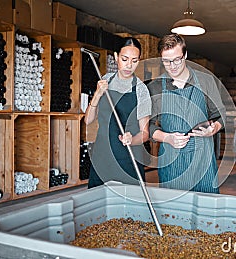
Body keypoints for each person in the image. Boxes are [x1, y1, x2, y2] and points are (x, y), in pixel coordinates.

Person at [148, 33, 226, 193]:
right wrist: (166, 137)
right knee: (174, 211)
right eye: (167, 61)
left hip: (202, 160)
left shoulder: (206, 81)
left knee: (207, 209)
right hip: (171, 161)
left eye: (177, 59)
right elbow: (144, 126)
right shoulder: (155, 87)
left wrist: (214, 128)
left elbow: (221, 115)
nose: (173, 66)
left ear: (185, 55)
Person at [85, 37, 151, 188]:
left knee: (129, 206)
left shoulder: (141, 90)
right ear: (116, 57)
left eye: (134, 60)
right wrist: (97, 94)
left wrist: (132, 139)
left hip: (128, 157)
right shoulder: (105, 81)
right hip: (102, 155)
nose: (129, 65)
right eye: (125, 59)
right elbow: (88, 120)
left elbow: (145, 133)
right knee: (98, 203)